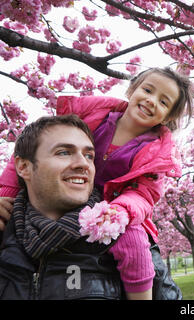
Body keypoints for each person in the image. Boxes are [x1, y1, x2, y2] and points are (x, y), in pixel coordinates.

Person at [0, 66, 194, 300]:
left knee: (134, 241)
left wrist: (120, 211)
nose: (152, 101)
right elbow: (30, 149)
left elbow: (144, 195)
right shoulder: (94, 117)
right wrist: (6, 193)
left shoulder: (156, 152)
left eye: (163, 102)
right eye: (148, 90)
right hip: (73, 200)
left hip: (116, 212)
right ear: (132, 90)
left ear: (169, 117)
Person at [0, 114, 124, 299]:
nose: (83, 163)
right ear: (24, 167)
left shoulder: (121, 239)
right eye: (64, 152)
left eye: (89, 155)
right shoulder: (4, 236)